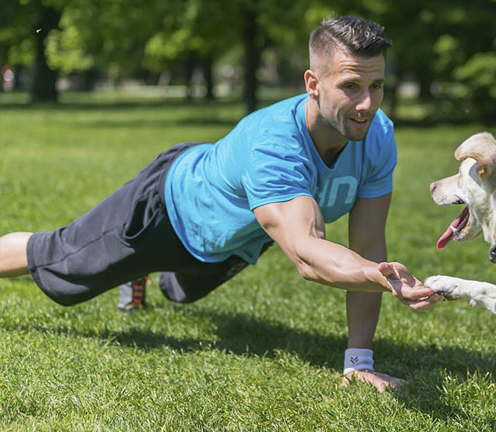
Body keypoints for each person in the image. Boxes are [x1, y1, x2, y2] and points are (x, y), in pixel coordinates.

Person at [0, 15, 441, 393]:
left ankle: (143, 274)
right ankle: (135, 264)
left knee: (183, 292)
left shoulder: (377, 135)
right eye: (351, 86)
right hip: (165, 210)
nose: (367, 105)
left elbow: (368, 244)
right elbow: (308, 255)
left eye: (377, 85)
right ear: (312, 83)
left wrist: (358, 363)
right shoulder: (274, 145)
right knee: (59, 261)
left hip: (236, 238)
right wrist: (377, 277)